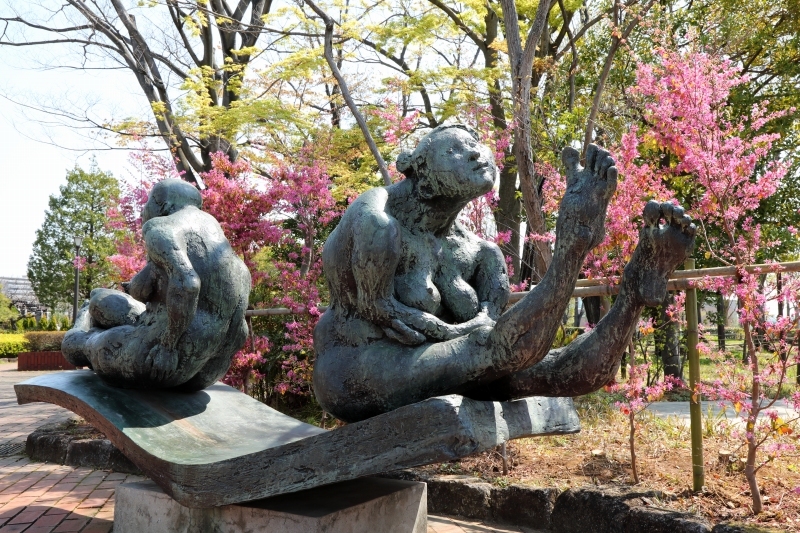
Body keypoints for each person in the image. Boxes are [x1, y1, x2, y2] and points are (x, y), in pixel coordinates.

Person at [313, 125, 695, 422]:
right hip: (356, 367)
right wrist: (570, 250)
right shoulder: (376, 221)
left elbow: (510, 345)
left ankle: (635, 290)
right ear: (421, 172)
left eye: (477, 144)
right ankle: (575, 243)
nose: (477, 153)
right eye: (456, 149)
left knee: (570, 373)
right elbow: (384, 311)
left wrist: (465, 335)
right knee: (487, 348)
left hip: (449, 362)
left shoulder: (481, 254)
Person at [62, 179, 251, 391]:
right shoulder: (226, 254)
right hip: (205, 373)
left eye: (147, 203)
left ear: (162, 204)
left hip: (158, 361)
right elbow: (239, 327)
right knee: (100, 298)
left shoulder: (161, 227)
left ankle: (83, 318)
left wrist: (168, 345)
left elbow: (188, 284)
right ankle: (92, 308)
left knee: (76, 345)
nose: (143, 211)